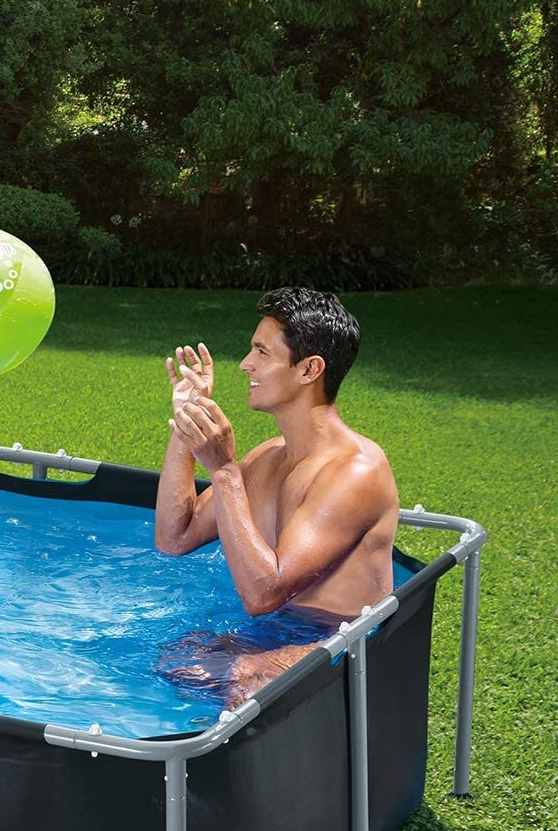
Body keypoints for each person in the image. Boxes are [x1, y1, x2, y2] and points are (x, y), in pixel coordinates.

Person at [155, 287, 399, 702]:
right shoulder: (269, 456)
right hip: (281, 628)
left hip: (346, 642)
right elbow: (174, 538)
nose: (245, 364)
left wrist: (226, 471)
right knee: (178, 658)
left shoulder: (355, 471)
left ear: (309, 370)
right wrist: (187, 423)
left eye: (262, 353)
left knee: (250, 680)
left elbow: (262, 595)